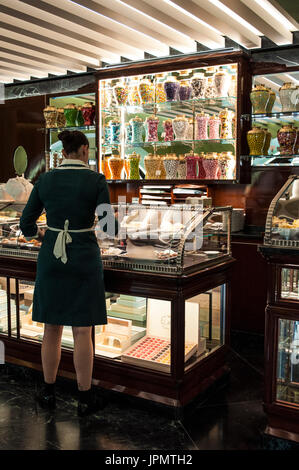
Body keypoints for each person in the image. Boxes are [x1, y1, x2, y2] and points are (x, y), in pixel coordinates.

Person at [20, 130, 118, 417]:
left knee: (51, 328)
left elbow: (26, 222)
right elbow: (109, 227)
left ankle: (48, 393)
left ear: (63, 153)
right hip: (84, 258)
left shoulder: (46, 180)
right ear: (85, 150)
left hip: (52, 256)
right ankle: (85, 398)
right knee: (82, 330)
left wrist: (40, 234)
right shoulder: (96, 180)